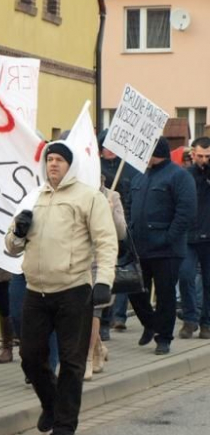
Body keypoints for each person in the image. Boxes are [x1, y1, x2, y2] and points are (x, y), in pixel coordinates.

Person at [6, 140, 117, 435]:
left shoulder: (88, 198)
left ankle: (64, 426)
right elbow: (10, 246)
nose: (53, 164)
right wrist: (18, 232)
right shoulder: (35, 198)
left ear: (70, 165)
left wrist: (104, 280)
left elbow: (107, 242)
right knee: (30, 358)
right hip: (36, 291)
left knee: (71, 362)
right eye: (49, 159)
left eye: (59, 160)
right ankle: (52, 405)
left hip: (73, 291)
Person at [126, 137, 196, 354]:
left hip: (167, 250)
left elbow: (186, 212)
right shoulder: (139, 177)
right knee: (134, 289)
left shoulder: (179, 176)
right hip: (139, 248)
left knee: (165, 295)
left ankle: (163, 338)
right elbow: (129, 205)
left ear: (155, 153)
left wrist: (168, 237)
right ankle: (151, 323)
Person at [85, 175, 127, 380]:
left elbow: (121, 233)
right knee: (80, 314)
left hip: (99, 262)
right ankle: (98, 348)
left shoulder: (112, 195)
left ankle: (88, 359)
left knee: (94, 312)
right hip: (76, 262)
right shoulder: (78, 193)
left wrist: (109, 212)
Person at [98, 128, 138, 333]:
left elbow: (131, 199)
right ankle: (108, 320)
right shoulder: (94, 168)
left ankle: (114, 317)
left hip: (118, 228)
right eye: (107, 146)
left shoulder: (128, 170)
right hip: (96, 233)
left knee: (115, 275)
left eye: (114, 146)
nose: (110, 150)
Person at [178, 137, 210, 339]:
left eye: (207, 156)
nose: (204, 160)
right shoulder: (185, 175)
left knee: (208, 283)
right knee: (186, 275)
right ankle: (190, 319)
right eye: (200, 156)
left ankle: (206, 322)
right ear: (193, 154)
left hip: (209, 237)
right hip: (188, 237)